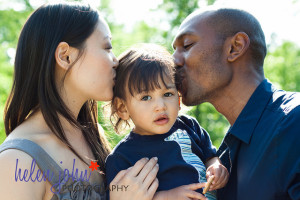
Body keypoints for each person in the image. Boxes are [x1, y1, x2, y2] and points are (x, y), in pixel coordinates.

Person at [0, 2, 159, 200]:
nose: (116, 60)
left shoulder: (91, 138)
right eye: (107, 47)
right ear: (65, 56)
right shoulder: (17, 160)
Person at [172, 7, 300, 200]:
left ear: (235, 47)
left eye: (187, 45)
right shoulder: (219, 158)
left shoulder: (294, 122)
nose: (173, 60)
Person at [106, 44, 229, 200]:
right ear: (122, 108)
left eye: (168, 94)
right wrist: (166, 196)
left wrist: (216, 166)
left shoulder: (189, 126)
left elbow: (210, 156)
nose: (161, 106)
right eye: (146, 97)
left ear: (178, 99)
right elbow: (118, 194)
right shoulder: (121, 157)